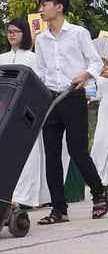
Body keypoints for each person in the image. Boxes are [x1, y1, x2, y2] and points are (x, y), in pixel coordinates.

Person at [34, 0, 107, 224]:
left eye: (45, 5)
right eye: (41, 5)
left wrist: (84, 75)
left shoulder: (78, 33)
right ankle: (59, 209)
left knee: (77, 152)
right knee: (52, 156)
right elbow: (42, 70)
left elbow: (96, 62)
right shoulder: (41, 40)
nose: (41, 9)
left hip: (73, 97)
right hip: (50, 101)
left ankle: (98, 193)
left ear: (59, 7)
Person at [1, 18, 49, 208]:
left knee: (29, 154)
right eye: (9, 31)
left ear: (25, 34)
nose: (11, 35)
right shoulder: (2, 58)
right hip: (5, 111)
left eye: (16, 31)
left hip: (26, 112)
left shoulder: (32, 58)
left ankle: (26, 198)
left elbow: (38, 85)